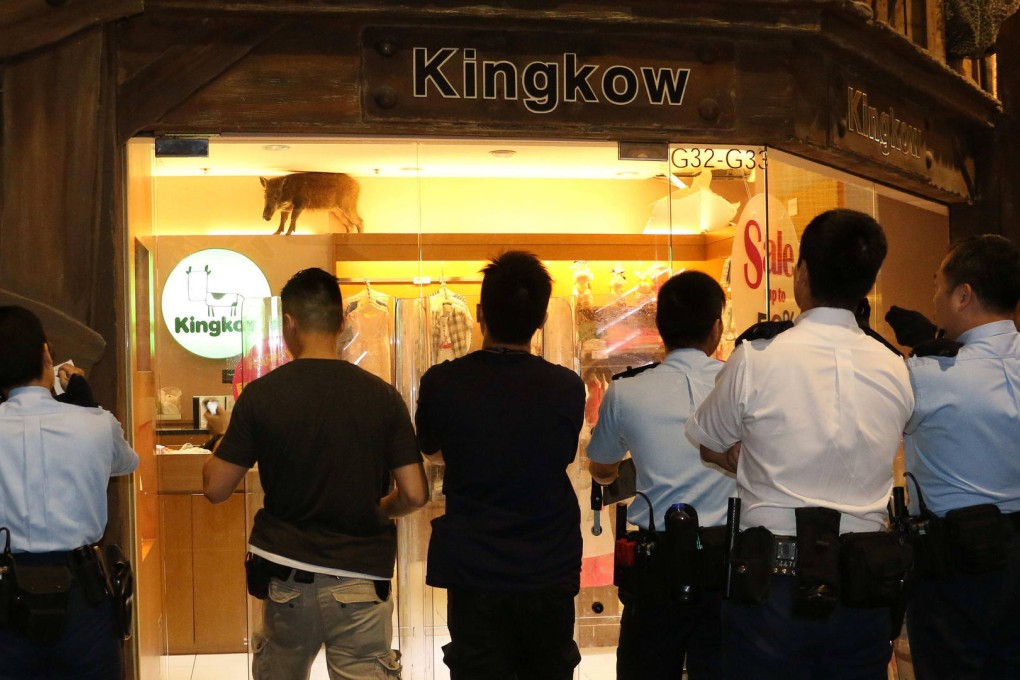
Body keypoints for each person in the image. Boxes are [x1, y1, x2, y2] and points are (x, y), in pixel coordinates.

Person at [685, 209, 914, 679]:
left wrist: (745, 459)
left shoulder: (756, 359)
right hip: (864, 582)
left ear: (802, 273)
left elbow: (708, 443)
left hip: (772, 583)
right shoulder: (895, 366)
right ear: (868, 283)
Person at [202, 267, 428, 680]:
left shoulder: (261, 395)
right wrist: (380, 509)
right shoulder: (383, 396)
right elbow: (414, 493)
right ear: (341, 324)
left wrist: (221, 437)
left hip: (286, 579)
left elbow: (216, 488)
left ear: (289, 323)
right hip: (362, 577)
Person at [415, 250, 586, 680]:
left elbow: (432, 451)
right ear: (541, 319)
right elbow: (562, 455)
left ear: (480, 313)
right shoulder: (567, 387)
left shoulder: (442, 382)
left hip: (475, 568)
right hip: (548, 564)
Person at [587, 270, 736, 679]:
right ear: (717, 328)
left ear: (660, 327)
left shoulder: (626, 391)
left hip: (657, 561)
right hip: (728, 558)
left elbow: (602, 467)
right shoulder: (740, 384)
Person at [901, 234, 1020, 679]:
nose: (933, 297)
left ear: (963, 295)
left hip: (954, 564)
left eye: (938, 284)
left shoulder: (926, 376)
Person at [0, 305, 139, 679]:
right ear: (46, 355)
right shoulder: (95, 424)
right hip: (82, 593)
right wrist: (86, 404)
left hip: (5, 592)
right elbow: (127, 462)